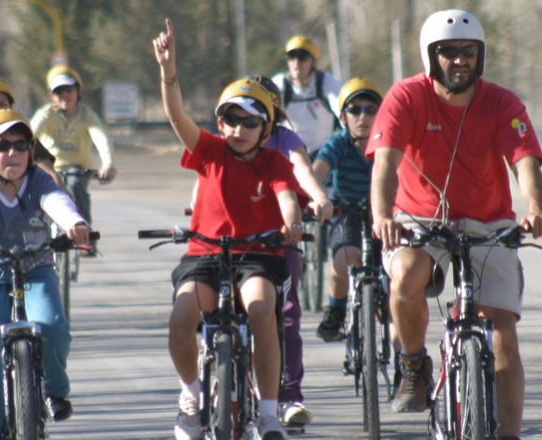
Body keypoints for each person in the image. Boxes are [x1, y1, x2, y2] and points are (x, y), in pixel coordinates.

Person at [367, 10, 542, 440]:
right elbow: (385, 167)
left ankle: (508, 433)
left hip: (489, 223)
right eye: (448, 52)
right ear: (430, 57)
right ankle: (413, 365)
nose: (459, 61)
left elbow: (525, 161)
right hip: (420, 218)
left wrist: (537, 209)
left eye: (468, 52)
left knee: (503, 334)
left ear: (480, 57)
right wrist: (382, 218)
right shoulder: (405, 97)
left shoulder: (502, 102)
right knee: (405, 277)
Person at [153, 19, 303, 440]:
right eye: (230, 120)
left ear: (266, 129)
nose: (238, 129)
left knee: (261, 312)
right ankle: (190, 398)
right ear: (220, 125)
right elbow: (176, 115)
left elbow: (288, 198)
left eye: (249, 122)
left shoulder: (274, 162)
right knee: (182, 318)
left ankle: (269, 413)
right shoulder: (209, 151)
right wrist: (169, 72)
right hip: (203, 255)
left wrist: (292, 224)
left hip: (258, 257)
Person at [0, 109, 89, 436]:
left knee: (52, 326)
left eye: (21, 145)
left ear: (31, 151)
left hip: (36, 269)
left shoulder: (38, 181)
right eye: (2, 145)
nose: (12, 153)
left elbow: (57, 202)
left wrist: (74, 224)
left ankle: (54, 388)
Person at [246, 75, 334, 427]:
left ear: (275, 110)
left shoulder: (286, 140)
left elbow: (302, 169)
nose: (251, 118)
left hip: (281, 240)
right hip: (236, 242)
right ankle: (224, 385)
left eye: (262, 106)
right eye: (245, 108)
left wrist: (319, 197)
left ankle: (289, 397)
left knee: (287, 316)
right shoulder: (231, 139)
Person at [310, 78, 382, 342]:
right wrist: (314, 198)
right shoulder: (337, 144)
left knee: (398, 283)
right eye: (355, 110)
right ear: (343, 117)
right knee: (344, 257)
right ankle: (336, 309)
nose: (363, 116)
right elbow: (316, 173)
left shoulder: (390, 143)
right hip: (347, 213)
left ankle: (406, 366)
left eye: (371, 110)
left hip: (384, 216)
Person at [30, 65, 117, 249]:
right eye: (58, 91)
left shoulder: (87, 116)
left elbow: (101, 137)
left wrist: (108, 164)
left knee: (76, 184)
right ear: (52, 96)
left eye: (68, 90)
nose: (64, 95)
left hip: (77, 168)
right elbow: (28, 136)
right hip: (49, 168)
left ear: (78, 91)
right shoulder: (46, 114)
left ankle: (85, 236)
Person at [272, 35, 343, 152]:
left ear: (314, 62)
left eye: (303, 57)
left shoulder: (327, 83)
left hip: (324, 153)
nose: (296, 62)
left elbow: (343, 113)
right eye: (291, 57)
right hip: (290, 153)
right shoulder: (279, 84)